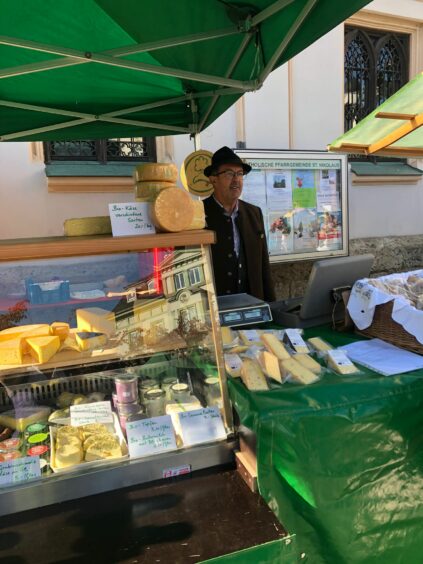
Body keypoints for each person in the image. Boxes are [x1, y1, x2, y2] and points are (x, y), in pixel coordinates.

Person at [203, 146, 275, 302]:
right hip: (215, 306)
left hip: (253, 304)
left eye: (240, 174)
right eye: (229, 174)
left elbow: (264, 265)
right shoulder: (199, 213)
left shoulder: (254, 213)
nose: (236, 180)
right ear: (213, 179)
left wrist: (271, 306)